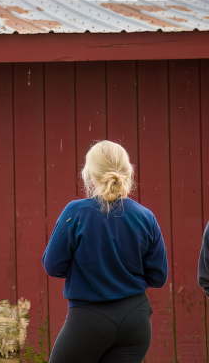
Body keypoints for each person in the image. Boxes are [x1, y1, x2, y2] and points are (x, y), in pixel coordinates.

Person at [42, 140, 168, 363]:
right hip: (135, 319)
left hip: (88, 319)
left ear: (90, 174)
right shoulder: (146, 217)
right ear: (128, 172)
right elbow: (158, 278)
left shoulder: (76, 213)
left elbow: (53, 266)